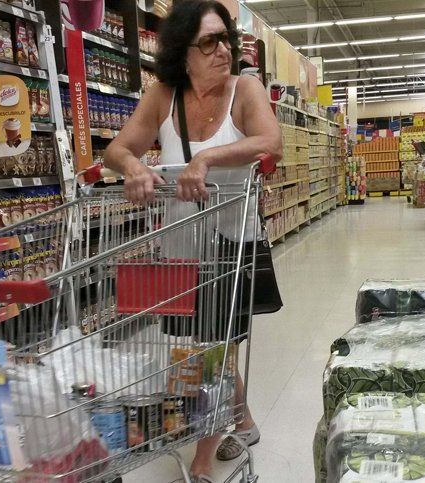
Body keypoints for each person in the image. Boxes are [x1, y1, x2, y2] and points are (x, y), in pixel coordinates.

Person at [103, 1, 283, 481]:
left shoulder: (245, 89)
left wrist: (205, 159)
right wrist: (134, 166)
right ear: (182, 52)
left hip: (232, 243)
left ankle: (203, 458)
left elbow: (271, 142)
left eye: (226, 38)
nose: (223, 49)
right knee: (210, 342)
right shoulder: (162, 95)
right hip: (181, 244)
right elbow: (117, 149)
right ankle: (243, 420)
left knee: (212, 345)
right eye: (209, 42)